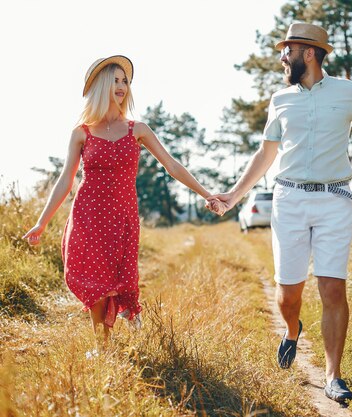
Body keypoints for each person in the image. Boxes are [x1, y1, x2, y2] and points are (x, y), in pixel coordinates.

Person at [208, 23, 352, 403]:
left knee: (332, 287)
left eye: (288, 51)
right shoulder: (280, 99)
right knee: (288, 296)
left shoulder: (348, 92)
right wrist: (234, 195)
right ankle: (292, 330)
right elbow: (266, 154)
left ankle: (333, 376)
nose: (283, 58)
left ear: (310, 53)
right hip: (290, 200)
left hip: (335, 199)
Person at [23, 55, 223, 351]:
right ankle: (102, 346)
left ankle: (120, 319)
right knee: (95, 281)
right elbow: (65, 181)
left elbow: (172, 165)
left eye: (125, 81)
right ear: (102, 85)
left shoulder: (137, 130)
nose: (121, 86)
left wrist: (206, 193)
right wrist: (41, 222)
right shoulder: (82, 133)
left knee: (119, 279)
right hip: (88, 216)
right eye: (115, 80)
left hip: (122, 218)